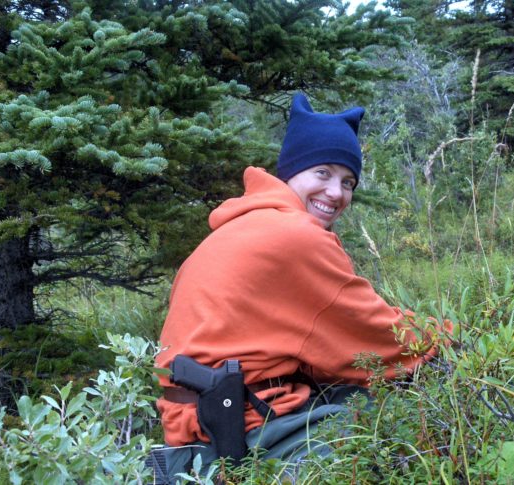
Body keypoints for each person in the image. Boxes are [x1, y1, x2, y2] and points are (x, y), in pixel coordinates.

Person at [154, 93, 450, 481]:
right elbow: (381, 338)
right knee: (382, 434)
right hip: (234, 433)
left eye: (348, 181)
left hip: (188, 433)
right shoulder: (295, 235)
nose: (336, 193)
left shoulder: (238, 228)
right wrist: (451, 334)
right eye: (322, 173)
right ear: (289, 173)